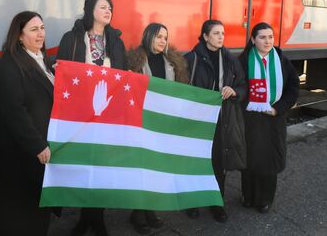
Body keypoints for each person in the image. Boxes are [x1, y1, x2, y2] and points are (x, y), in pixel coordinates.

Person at [57, 0, 126, 236]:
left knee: (102, 165)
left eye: (110, 8)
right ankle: (87, 218)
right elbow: (62, 71)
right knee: (84, 164)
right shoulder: (72, 38)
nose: (108, 11)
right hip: (79, 113)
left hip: (107, 113)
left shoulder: (116, 41)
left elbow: (124, 76)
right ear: (90, 10)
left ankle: (96, 218)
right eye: (103, 7)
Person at [0, 11, 55, 235]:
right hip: (20, 157)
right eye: (34, 29)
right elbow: (13, 111)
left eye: (42, 28)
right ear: (19, 35)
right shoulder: (9, 66)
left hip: (38, 155)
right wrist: (37, 145)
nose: (41, 34)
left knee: (36, 214)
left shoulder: (44, 61)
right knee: (17, 216)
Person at [125, 23, 188, 234]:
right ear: (148, 36)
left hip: (164, 124)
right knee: (141, 168)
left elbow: (182, 92)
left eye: (165, 37)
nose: (163, 41)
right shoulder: (134, 61)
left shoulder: (174, 62)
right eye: (159, 36)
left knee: (156, 169)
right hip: (141, 123)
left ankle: (148, 208)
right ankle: (138, 212)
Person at [184, 20, 247, 223]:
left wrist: (234, 91)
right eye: (216, 33)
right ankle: (192, 201)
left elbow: (243, 86)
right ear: (205, 36)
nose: (221, 37)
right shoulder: (191, 58)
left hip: (222, 119)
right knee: (196, 160)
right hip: (197, 119)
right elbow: (180, 86)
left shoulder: (230, 60)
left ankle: (216, 202)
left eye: (223, 33)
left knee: (219, 162)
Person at [238, 22, 299, 213]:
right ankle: (248, 196)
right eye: (262, 37)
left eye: (270, 37)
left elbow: (293, 88)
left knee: (269, 160)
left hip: (273, 119)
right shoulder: (242, 60)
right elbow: (238, 87)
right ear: (253, 39)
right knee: (249, 159)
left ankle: (264, 199)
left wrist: (278, 109)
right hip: (250, 119)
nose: (267, 41)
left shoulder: (282, 61)